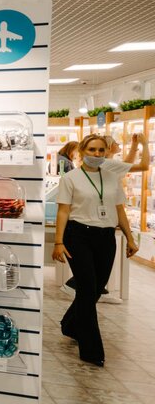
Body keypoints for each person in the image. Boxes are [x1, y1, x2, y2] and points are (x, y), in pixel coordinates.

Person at [52, 134, 139, 367]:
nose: (97, 154)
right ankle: (91, 349)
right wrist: (58, 242)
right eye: (92, 150)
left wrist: (130, 238)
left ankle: (70, 324)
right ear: (82, 151)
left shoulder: (111, 177)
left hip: (106, 237)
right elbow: (63, 211)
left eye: (101, 150)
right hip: (78, 235)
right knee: (87, 288)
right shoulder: (70, 178)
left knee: (96, 288)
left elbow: (119, 210)